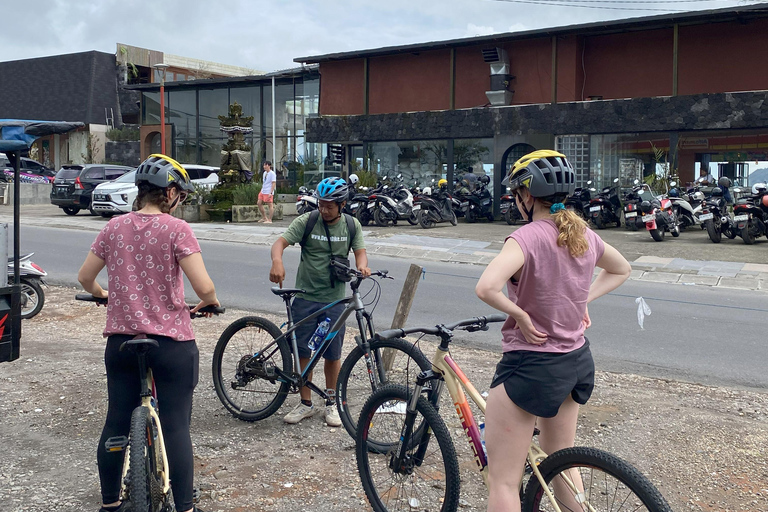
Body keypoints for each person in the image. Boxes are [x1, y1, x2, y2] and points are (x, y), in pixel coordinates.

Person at [474, 150, 631, 512]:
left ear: (527, 196)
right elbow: (621, 269)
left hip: (530, 366)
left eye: (516, 195)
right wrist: (582, 300)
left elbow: (486, 287)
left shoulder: (525, 238)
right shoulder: (582, 233)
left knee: (503, 480)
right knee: (561, 461)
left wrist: (521, 316)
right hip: (575, 361)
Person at [78, 154, 219, 512]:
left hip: (122, 342)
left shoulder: (113, 227)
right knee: (175, 427)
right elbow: (204, 288)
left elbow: (84, 278)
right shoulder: (176, 230)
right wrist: (210, 302)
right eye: (180, 195)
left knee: (115, 420)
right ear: (170, 192)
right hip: (171, 343)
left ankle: (109, 503)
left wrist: (103, 295)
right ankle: (185, 507)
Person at [268, 177, 370, 426]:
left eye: (329, 206)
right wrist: (277, 261)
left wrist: (363, 267)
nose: (323, 210)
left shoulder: (351, 225)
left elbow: (360, 253)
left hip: (334, 301)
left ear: (342, 204)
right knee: (303, 350)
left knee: (332, 354)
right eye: (321, 204)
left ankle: (331, 402)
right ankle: (305, 403)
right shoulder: (308, 221)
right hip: (305, 297)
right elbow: (279, 243)